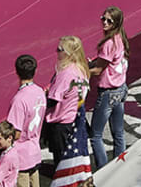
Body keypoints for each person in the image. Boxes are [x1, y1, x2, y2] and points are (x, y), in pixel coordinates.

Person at [43, 36, 92, 184]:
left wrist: (42, 95)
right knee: (72, 161)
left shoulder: (65, 74)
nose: (57, 52)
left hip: (61, 123)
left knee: (62, 165)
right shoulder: (82, 69)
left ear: (69, 53)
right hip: (75, 120)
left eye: (60, 50)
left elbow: (53, 100)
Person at [89, 6, 129, 168]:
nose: (104, 22)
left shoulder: (108, 44)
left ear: (116, 23)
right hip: (121, 89)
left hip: (108, 93)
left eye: (109, 21)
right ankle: (120, 166)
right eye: (103, 19)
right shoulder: (120, 38)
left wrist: (82, 69)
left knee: (96, 135)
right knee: (118, 132)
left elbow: (98, 69)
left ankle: (103, 170)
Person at [3, 54, 45, 187]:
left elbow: (14, 132)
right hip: (34, 150)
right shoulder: (39, 92)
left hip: (22, 155)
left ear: (16, 72)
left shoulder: (19, 100)